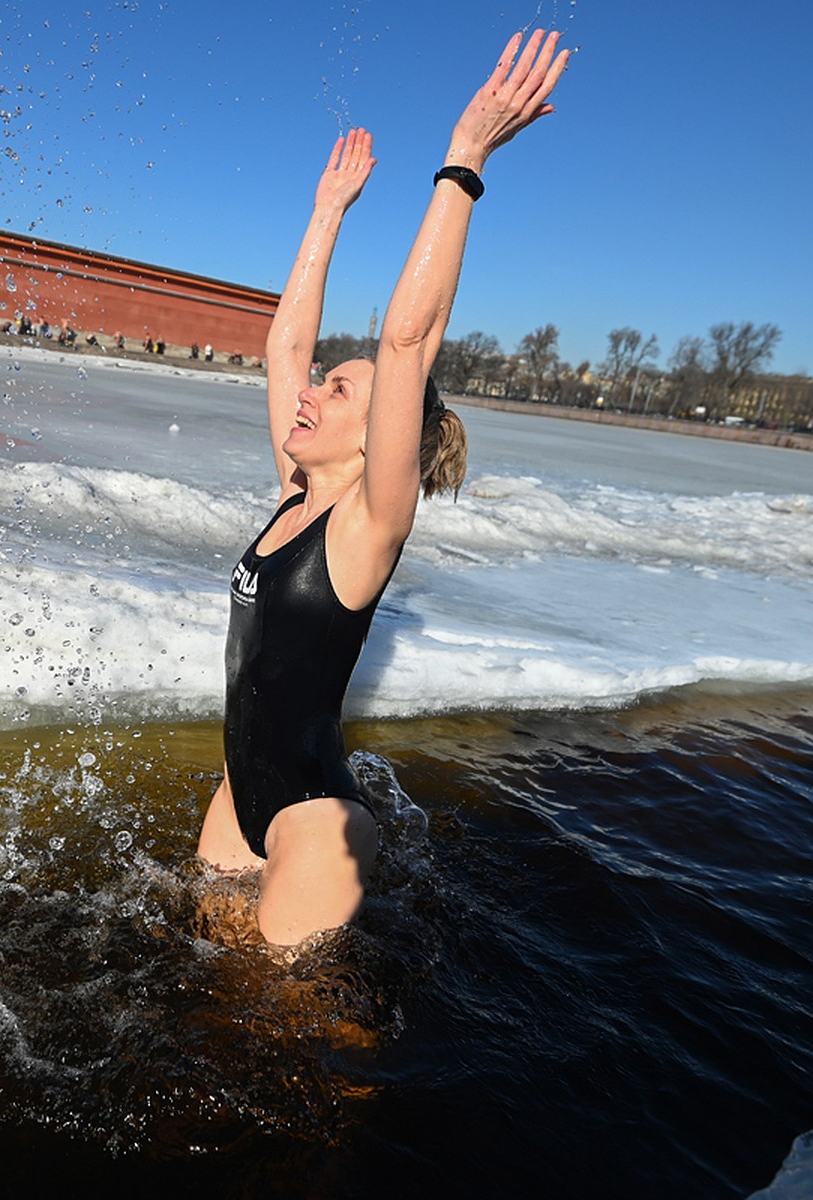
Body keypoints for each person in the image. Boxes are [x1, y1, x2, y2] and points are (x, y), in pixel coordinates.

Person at [197, 29, 569, 948]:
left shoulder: (369, 522)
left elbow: (407, 341)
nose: (314, 388)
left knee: (294, 1053)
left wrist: (465, 161)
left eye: (340, 390)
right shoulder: (297, 490)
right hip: (240, 800)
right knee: (203, 994)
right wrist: (327, 213)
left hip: (314, 825)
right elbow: (284, 346)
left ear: (380, 442)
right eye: (325, 382)